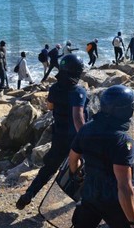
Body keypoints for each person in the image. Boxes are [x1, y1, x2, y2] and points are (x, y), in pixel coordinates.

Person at [16, 54, 88, 210]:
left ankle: (29, 194)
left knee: (48, 169)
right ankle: (85, 201)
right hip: (75, 139)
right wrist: (87, 140)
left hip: (59, 136)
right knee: (82, 168)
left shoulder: (55, 88)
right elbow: (78, 118)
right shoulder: (78, 92)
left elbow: (49, 106)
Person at [69, 85, 134, 228]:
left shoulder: (86, 128)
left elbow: (73, 159)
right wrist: (133, 223)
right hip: (113, 201)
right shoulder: (123, 141)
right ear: (126, 111)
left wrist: (78, 176)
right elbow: (124, 187)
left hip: (90, 194)